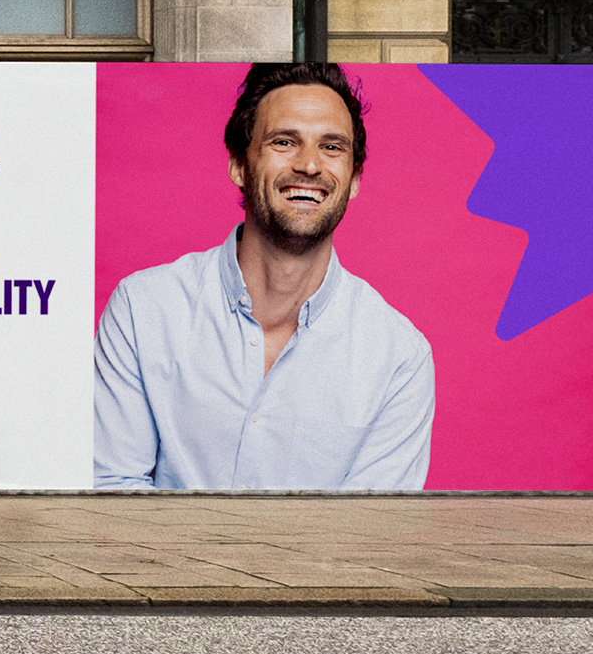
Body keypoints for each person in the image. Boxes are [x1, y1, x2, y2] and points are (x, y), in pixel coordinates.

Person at [93, 63, 434, 491]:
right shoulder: (144, 309)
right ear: (239, 165)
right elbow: (112, 492)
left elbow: (367, 540)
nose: (309, 165)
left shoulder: (399, 356)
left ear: (355, 180)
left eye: (332, 147)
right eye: (284, 142)